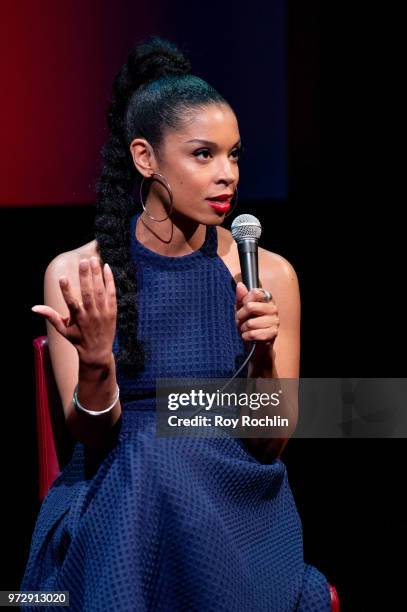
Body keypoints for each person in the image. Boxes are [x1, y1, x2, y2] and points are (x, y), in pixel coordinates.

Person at [21, 36, 332, 611]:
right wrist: (94, 360)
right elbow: (92, 437)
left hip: (234, 502)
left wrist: (262, 354)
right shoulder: (79, 272)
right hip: (117, 498)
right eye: (203, 154)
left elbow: (270, 445)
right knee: (151, 454)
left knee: (166, 454)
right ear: (145, 158)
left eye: (234, 154)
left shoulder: (271, 275)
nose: (227, 175)